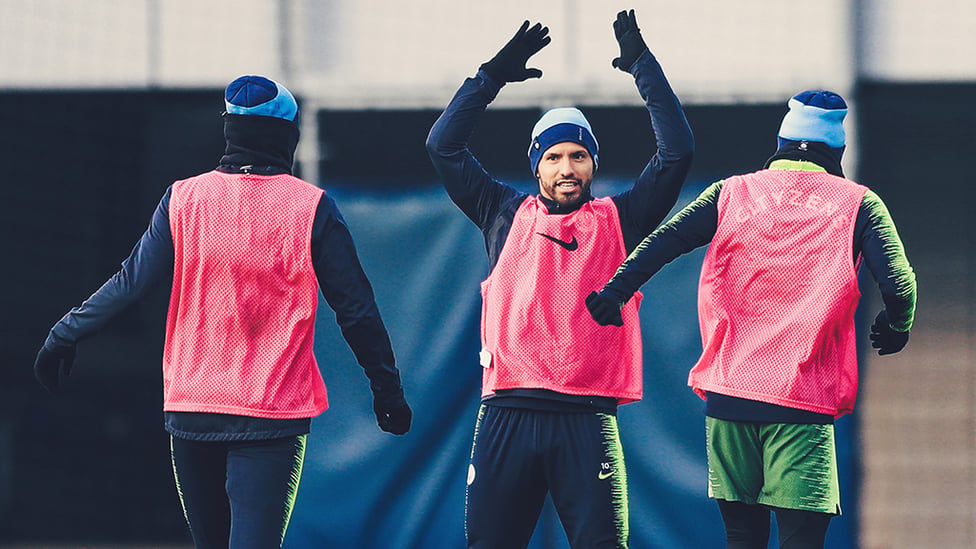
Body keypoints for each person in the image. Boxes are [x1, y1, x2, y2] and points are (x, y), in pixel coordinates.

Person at [32, 75, 412, 549]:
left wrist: (64, 334)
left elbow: (131, 283)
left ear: (229, 129)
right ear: (288, 137)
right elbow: (356, 310)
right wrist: (387, 390)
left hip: (193, 408)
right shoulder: (311, 208)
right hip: (271, 416)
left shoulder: (183, 200)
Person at [586, 90, 917, 548]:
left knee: (743, 537)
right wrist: (897, 324)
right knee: (802, 540)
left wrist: (616, 290)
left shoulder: (731, 192)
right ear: (835, 149)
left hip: (728, 399)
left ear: (781, 142)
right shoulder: (859, 204)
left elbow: (664, 241)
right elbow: (899, 282)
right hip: (801, 405)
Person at [426, 10, 694, 548]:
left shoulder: (621, 220)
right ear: (536, 167)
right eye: (553, 156)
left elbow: (677, 152)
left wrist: (642, 64)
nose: (566, 167)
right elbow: (443, 146)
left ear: (593, 164)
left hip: (586, 417)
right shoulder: (502, 211)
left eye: (578, 155)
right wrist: (492, 75)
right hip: (506, 413)